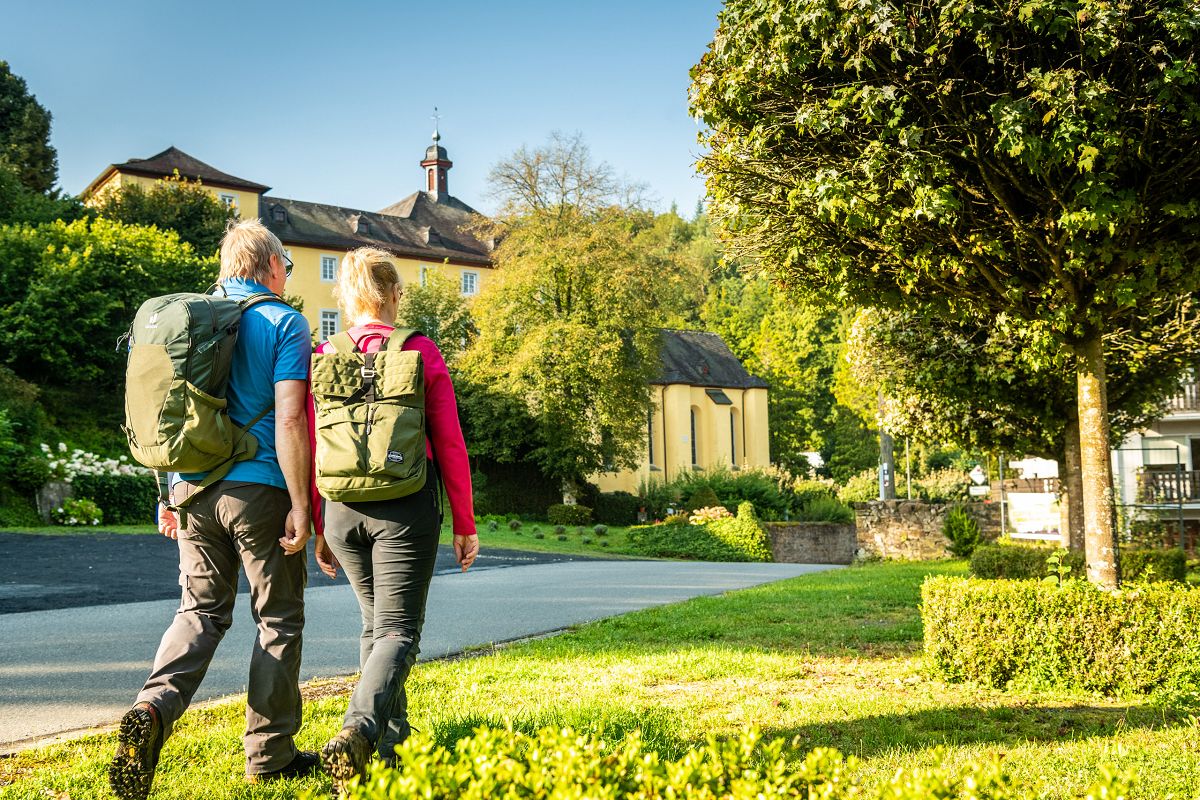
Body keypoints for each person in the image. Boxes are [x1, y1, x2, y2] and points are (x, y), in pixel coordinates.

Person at [109, 220, 318, 800]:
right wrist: (302, 503)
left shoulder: (189, 321)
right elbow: (291, 418)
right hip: (261, 492)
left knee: (199, 612)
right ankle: (270, 757)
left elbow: (164, 413)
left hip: (192, 492)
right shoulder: (285, 322)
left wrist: (167, 493)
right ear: (271, 266)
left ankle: (152, 708)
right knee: (277, 620)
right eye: (287, 267)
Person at [310, 247, 478, 792]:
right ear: (395, 295)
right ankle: (357, 729)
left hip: (340, 510)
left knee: (376, 627)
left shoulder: (325, 352)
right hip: (405, 507)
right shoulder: (421, 351)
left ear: (346, 297)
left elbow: (315, 441)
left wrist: (318, 523)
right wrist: (465, 521)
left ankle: (389, 745)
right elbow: (449, 441)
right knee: (399, 630)